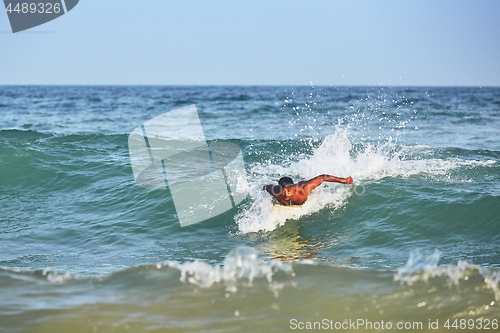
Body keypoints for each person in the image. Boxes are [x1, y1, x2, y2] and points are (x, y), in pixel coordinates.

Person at [262, 174, 353, 206]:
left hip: (311, 193)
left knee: (319, 190)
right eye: (283, 191)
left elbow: (323, 177)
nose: (285, 193)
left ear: (293, 188)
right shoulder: (275, 190)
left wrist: (345, 180)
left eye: (288, 190)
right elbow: (265, 187)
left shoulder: (303, 190)